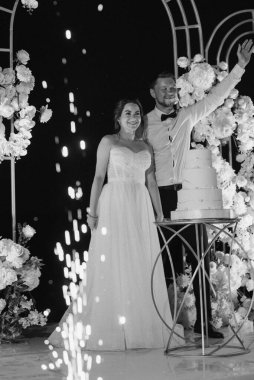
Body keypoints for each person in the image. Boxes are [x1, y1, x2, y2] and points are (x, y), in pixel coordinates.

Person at [49, 99, 183, 350]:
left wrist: (160, 214)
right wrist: (92, 212)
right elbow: (99, 177)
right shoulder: (108, 142)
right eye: (128, 113)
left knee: (140, 260)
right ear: (119, 118)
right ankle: (114, 325)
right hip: (114, 203)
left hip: (140, 204)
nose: (133, 117)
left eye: (137, 113)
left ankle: (141, 323)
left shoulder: (146, 146)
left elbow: (151, 181)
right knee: (114, 258)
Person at [145, 39, 254, 338]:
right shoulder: (142, 124)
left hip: (187, 197)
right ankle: (166, 325)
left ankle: (205, 322)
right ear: (153, 93)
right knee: (165, 264)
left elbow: (216, 99)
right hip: (158, 197)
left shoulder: (185, 116)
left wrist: (239, 67)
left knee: (199, 261)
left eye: (173, 88)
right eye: (164, 88)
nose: (169, 92)